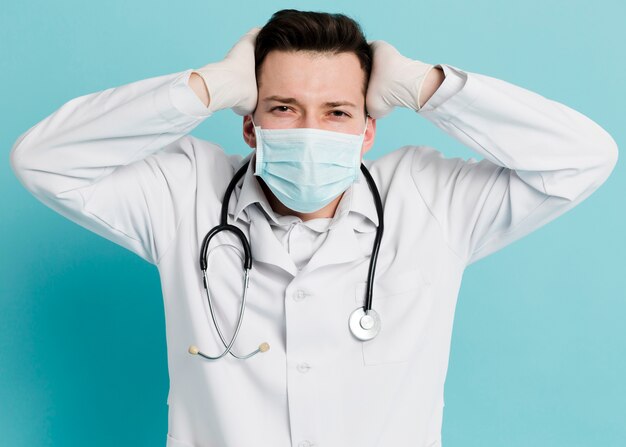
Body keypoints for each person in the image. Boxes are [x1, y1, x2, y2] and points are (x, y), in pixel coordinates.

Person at [9, 8, 618, 447]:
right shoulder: (183, 193)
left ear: (367, 129)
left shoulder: (430, 198)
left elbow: (584, 158)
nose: (311, 130)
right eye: (284, 108)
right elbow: (42, 160)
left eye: (336, 112)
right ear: (248, 126)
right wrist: (206, 87)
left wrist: (425, 87)